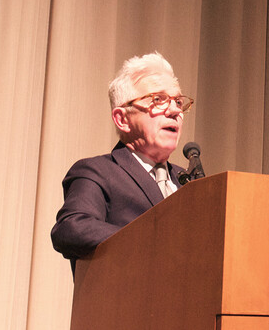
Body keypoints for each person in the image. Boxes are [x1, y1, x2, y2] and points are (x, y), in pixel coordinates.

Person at [51, 52, 193, 268]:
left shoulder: (190, 183)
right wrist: (160, 242)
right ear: (122, 119)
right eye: (158, 99)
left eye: (177, 101)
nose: (174, 110)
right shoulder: (97, 172)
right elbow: (72, 228)